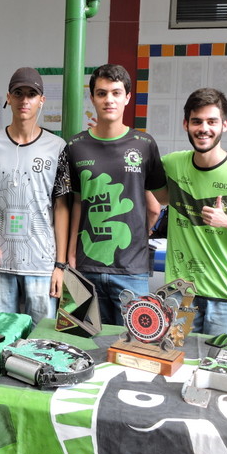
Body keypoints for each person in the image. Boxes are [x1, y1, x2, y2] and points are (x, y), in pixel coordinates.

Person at [152, 88, 227, 337]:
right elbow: (160, 197)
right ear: (186, 124)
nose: (203, 128)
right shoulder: (172, 164)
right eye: (197, 121)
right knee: (177, 358)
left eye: (212, 121)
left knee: (219, 361)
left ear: (224, 125)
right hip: (180, 294)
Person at [67, 64, 166, 326]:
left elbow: (157, 204)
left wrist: (139, 235)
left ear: (127, 97)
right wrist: (71, 254)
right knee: (86, 340)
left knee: (132, 342)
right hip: (85, 267)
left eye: (116, 93)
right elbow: (76, 203)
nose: (109, 100)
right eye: (101, 93)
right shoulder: (75, 147)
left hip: (131, 271)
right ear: (92, 98)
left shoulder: (144, 145)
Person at [0, 67, 71, 323]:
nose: (24, 100)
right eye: (18, 93)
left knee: (41, 336)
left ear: (42, 100)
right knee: (1, 333)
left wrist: (60, 265)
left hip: (42, 263)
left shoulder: (57, 147)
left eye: (31, 94)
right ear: (8, 97)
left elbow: (61, 207)